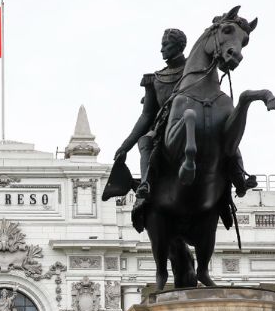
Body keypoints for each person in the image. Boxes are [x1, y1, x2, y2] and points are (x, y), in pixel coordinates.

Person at [103, 28, 256, 203]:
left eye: (165, 45)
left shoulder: (198, 71)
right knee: (145, 141)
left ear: (178, 46)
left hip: (202, 119)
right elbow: (146, 116)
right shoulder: (154, 79)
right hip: (166, 128)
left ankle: (239, 179)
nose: (161, 50)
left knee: (227, 136)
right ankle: (146, 183)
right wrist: (125, 146)